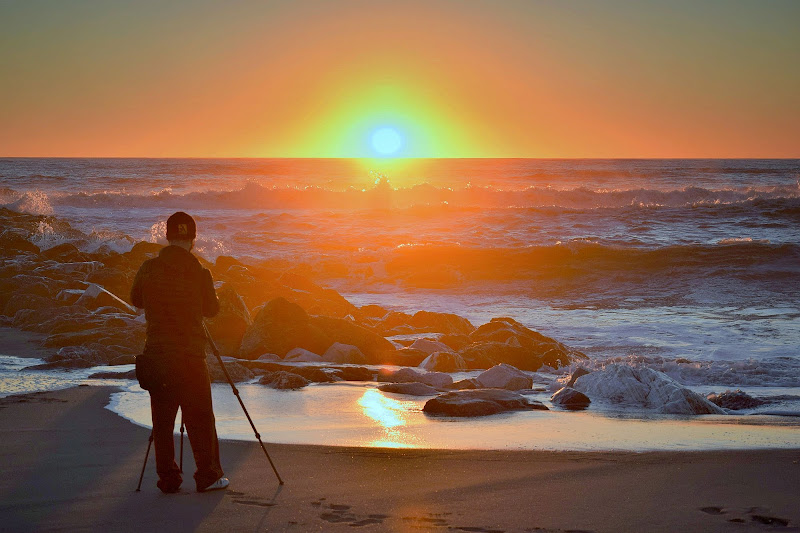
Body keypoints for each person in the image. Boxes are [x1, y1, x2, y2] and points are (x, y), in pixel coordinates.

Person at [131, 211, 229, 494]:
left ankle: (168, 479)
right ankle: (208, 475)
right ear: (192, 239)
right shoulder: (199, 271)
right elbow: (211, 310)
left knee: (162, 420)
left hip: (157, 354)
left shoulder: (149, 268)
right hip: (189, 354)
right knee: (199, 417)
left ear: (168, 236)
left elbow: (136, 299)